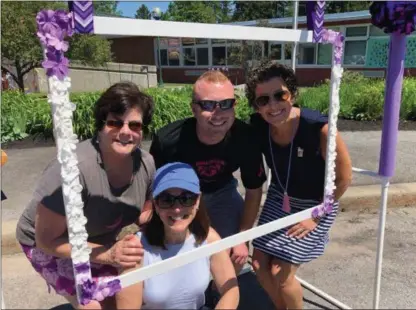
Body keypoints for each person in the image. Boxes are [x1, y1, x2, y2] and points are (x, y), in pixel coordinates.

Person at [15, 82, 156, 309]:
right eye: (115, 122)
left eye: (135, 125)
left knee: (130, 290)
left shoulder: (146, 164)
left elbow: (145, 212)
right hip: (48, 243)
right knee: (92, 304)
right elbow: (46, 240)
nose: (125, 131)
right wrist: (108, 255)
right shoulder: (73, 170)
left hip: (97, 238)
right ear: (100, 126)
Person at [246, 61, 353, 309]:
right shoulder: (258, 127)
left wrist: (315, 216)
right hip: (279, 196)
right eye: (263, 100)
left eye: (279, 95)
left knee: (280, 273)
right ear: (256, 105)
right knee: (259, 265)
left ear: (291, 94)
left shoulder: (320, 129)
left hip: (317, 204)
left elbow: (344, 178)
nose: (272, 105)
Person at [149, 70, 267, 275]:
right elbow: (154, 188)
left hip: (222, 191)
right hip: (180, 197)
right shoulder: (168, 141)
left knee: (235, 255)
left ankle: (219, 296)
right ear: (194, 108)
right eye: (208, 105)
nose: (218, 113)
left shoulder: (246, 137)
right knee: (175, 255)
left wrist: (242, 238)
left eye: (226, 104)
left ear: (234, 106)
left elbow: (254, 189)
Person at [116, 162, 240, 309]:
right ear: (155, 205)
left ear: (198, 201)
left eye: (186, 198)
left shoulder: (208, 238)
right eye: (166, 200)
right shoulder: (136, 250)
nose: (176, 209)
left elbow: (231, 290)